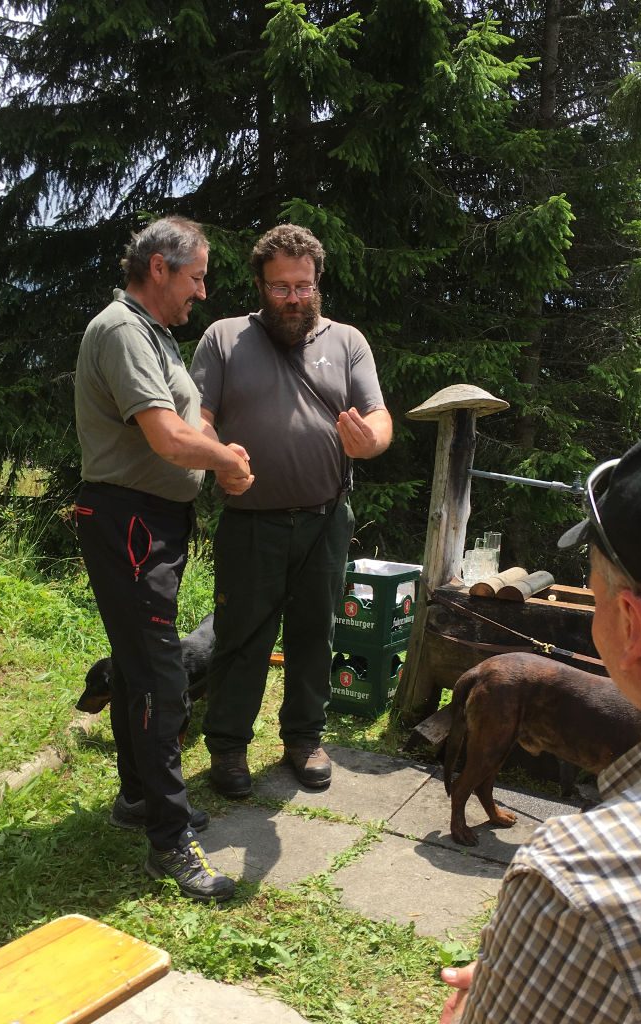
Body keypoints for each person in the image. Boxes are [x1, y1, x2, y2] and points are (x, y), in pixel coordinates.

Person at [73, 216, 254, 902]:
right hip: (128, 520)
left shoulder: (155, 337)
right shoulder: (122, 330)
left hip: (149, 522)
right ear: (159, 268)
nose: (201, 292)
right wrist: (224, 463)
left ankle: (136, 798)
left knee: (134, 664)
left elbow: (194, 421)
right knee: (159, 676)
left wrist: (221, 455)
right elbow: (169, 436)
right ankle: (170, 842)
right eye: (196, 277)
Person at [439, 438, 641, 1023]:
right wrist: (536, 968)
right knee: (484, 759)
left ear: (627, 621)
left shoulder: (573, 878)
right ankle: (466, 804)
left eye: (592, 582)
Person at [190, 224, 393, 798]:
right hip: (250, 518)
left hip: (326, 518)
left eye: (303, 287)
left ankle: (304, 739)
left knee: (314, 633)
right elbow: (198, 418)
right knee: (241, 636)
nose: (294, 298)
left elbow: (379, 418)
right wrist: (216, 456)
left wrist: (368, 442)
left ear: (317, 283)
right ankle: (228, 747)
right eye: (280, 288)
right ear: (260, 285)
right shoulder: (225, 339)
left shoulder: (347, 341)